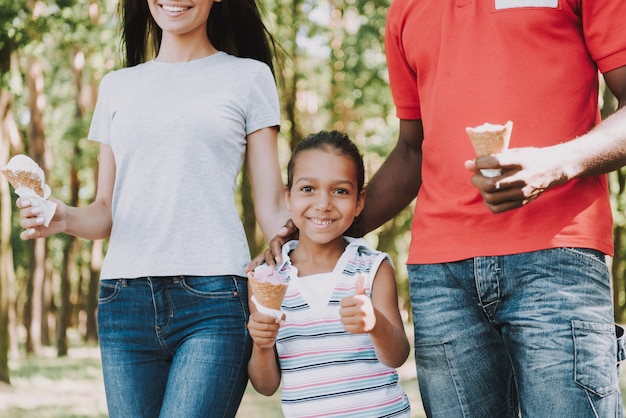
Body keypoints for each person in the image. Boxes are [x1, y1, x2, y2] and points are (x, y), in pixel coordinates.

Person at [261, 3, 626, 417]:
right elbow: (413, 150)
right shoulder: (406, 9)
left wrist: (556, 165)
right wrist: (309, 230)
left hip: (558, 255)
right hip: (441, 278)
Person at [14, 0, 289, 416]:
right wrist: (63, 216)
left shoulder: (249, 77)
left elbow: (272, 206)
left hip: (214, 299)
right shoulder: (117, 86)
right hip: (124, 302)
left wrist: (318, 249)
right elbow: (106, 208)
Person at [247, 130, 411, 417]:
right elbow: (266, 385)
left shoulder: (373, 268)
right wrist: (262, 345)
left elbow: (397, 356)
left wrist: (374, 323)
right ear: (288, 196)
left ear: (359, 201)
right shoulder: (267, 278)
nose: (323, 203)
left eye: (340, 191)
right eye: (308, 189)